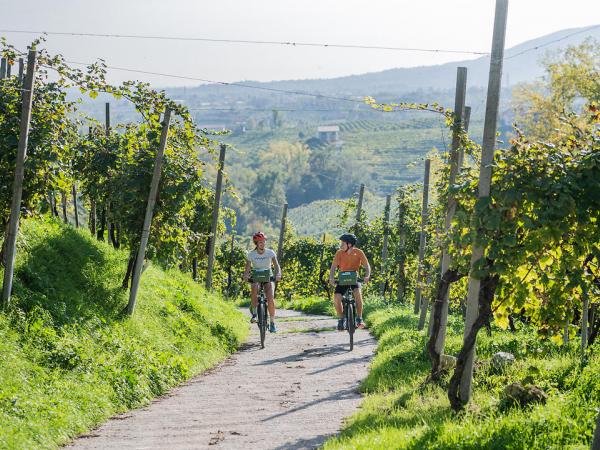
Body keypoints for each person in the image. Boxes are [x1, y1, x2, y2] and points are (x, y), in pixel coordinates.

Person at [329, 233, 371, 330]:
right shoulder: (339, 253)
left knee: (357, 293)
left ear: (349, 244)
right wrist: (331, 277)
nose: (341, 245)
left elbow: (367, 265)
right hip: (343, 278)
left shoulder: (359, 252)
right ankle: (341, 319)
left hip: (354, 278)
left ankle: (359, 319)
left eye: (343, 243)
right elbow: (333, 267)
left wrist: (367, 276)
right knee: (336, 297)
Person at [243, 231, 282, 333]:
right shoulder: (251, 254)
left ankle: (272, 323)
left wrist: (278, 274)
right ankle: (255, 314)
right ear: (256, 243)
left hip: (268, 276)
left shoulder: (270, 252)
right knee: (254, 287)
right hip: (256, 276)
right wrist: (246, 276)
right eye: (260, 242)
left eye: (264, 241)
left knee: (270, 299)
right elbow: (247, 269)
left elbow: (277, 266)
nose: (262, 243)